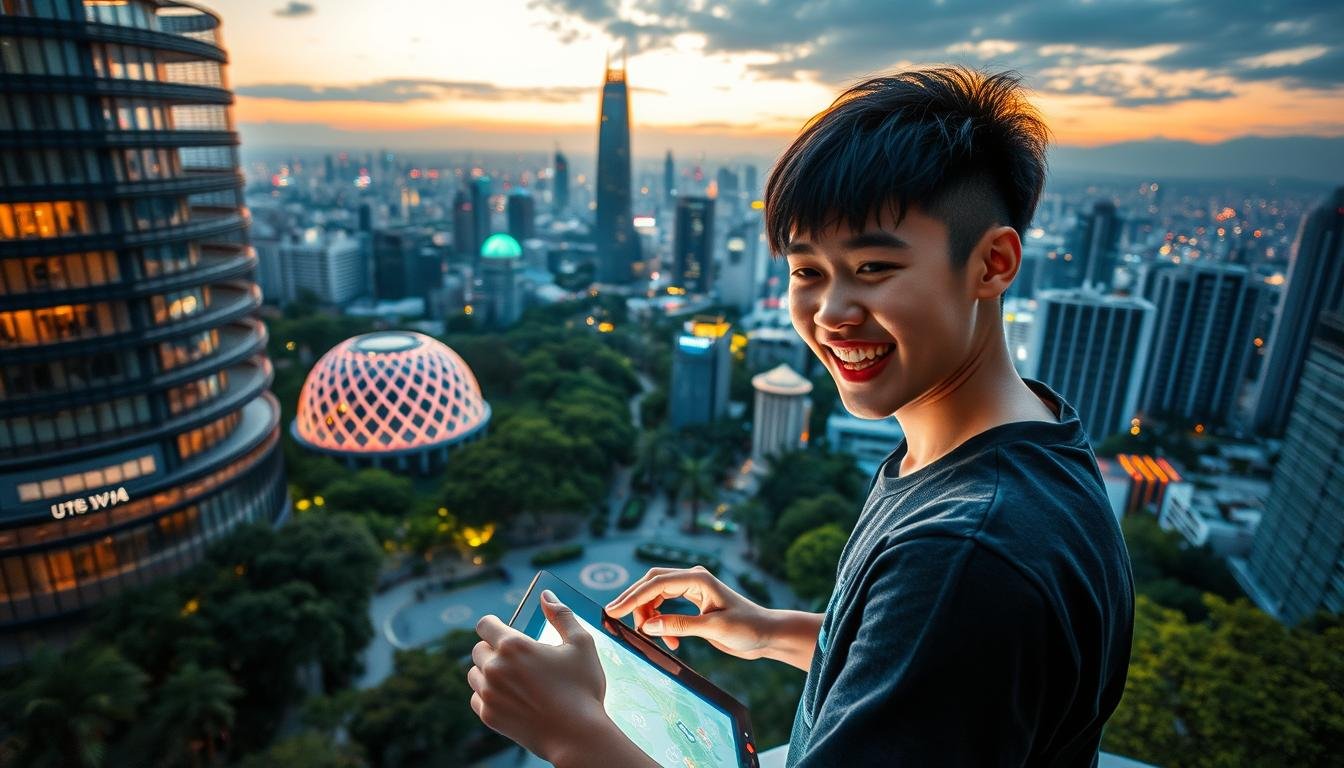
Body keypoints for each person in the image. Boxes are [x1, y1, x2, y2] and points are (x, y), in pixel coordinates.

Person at [468, 66, 1135, 767]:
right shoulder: (1026, 435)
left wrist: (572, 733)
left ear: (992, 264)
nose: (832, 314)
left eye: (874, 267)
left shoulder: (966, 550)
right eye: (806, 271)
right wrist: (767, 629)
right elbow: (932, 666)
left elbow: (951, 613)